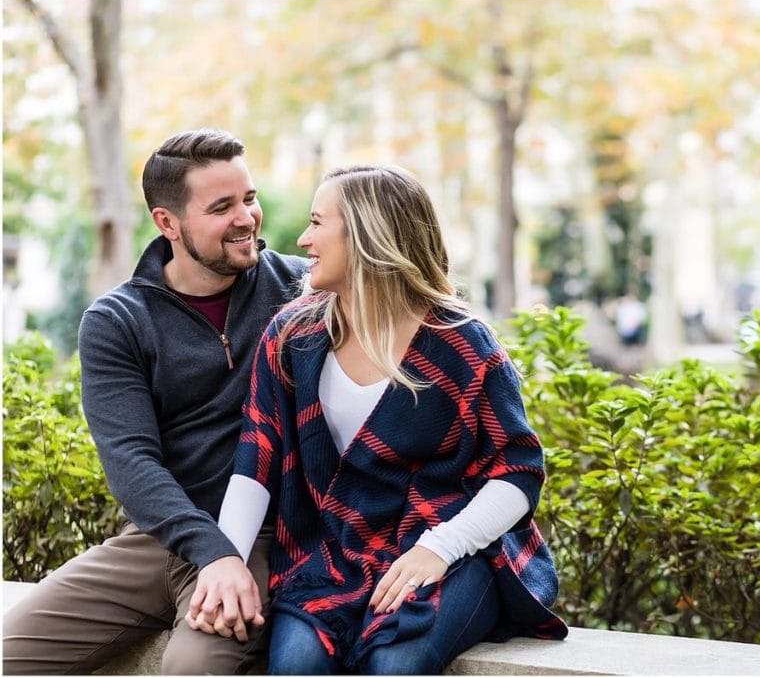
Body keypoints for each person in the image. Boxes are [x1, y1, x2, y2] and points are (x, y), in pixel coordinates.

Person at [189, 164, 568, 674]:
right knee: (296, 665)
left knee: (392, 664)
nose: (302, 239)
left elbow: (518, 471)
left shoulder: (461, 342)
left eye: (318, 223)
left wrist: (439, 549)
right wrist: (227, 561)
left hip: (452, 552)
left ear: (369, 236)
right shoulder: (293, 336)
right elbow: (256, 460)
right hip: (334, 556)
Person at [2, 128, 308, 674]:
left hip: (259, 537)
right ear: (167, 223)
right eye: (222, 207)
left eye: (249, 198)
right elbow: (131, 462)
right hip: (155, 538)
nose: (246, 218)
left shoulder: (298, 291)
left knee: (191, 669)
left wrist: (230, 554)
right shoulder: (117, 321)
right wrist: (208, 549)